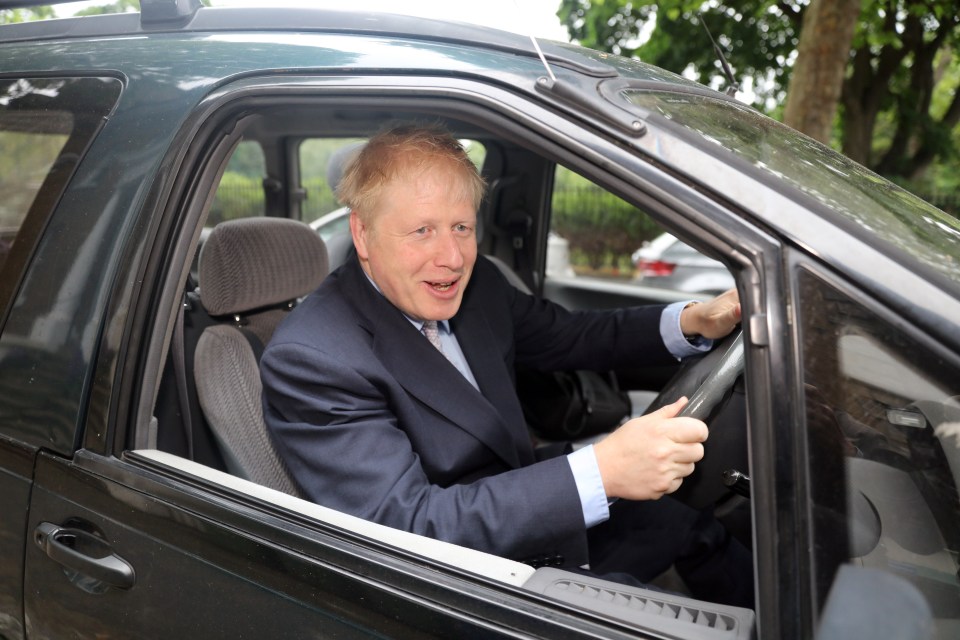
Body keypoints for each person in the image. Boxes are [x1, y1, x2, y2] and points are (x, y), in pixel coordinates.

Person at [260, 123, 753, 607]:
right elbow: (406, 531)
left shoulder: (478, 289)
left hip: (536, 513)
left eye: (461, 227)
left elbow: (570, 336)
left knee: (695, 520)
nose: (452, 257)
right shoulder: (314, 359)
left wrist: (695, 321)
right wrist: (600, 472)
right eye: (422, 231)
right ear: (362, 234)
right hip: (471, 583)